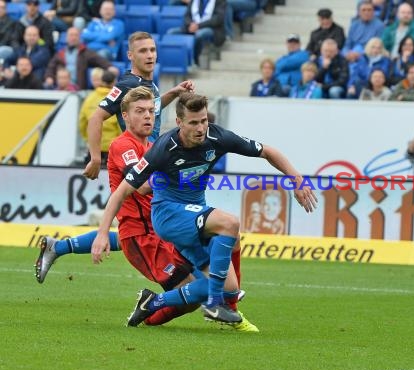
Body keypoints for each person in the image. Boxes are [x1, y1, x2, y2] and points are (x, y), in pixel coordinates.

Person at [37, 86, 257, 331]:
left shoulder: (151, 143)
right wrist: (184, 175)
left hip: (159, 228)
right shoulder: (125, 146)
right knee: (199, 291)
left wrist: (173, 94)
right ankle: (154, 305)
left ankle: (58, 246)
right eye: (140, 111)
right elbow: (139, 187)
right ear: (125, 117)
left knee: (217, 273)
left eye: (152, 111)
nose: (149, 116)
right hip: (143, 236)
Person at [91, 92, 317, 326]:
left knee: (230, 283)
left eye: (204, 121)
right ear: (179, 123)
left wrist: (297, 180)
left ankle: (155, 302)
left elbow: (268, 151)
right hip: (168, 215)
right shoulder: (163, 148)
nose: (201, 128)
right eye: (194, 123)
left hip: (194, 213)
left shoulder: (217, 137)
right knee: (229, 223)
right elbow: (122, 191)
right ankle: (215, 304)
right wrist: (102, 233)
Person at [83, 31, 195, 181]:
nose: (149, 55)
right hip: (137, 160)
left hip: (153, 157)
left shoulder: (149, 83)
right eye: (143, 51)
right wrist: (95, 158)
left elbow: (152, 108)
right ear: (130, 55)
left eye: (152, 50)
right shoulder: (127, 85)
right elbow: (95, 117)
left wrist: (173, 93)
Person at [44, 27, 113, 90]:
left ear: (79, 38)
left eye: (76, 35)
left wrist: (109, 66)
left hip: (78, 88)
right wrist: (49, 77)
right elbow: (51, 66)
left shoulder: (85, 52)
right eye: (71, 35)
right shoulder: (60, 53)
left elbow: (98, 59)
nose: (73, 38)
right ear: (66, 38)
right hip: (62, 87)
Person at [79, 69, 120, 166]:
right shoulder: (117, 100)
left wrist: (89, 138)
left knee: (91, 177)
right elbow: (121, 125)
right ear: (114, 82)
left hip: (93, 149)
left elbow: (82, 122)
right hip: (112, 148)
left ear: (101, 81)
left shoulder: (90, 98)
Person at [171, 0, 226, 66]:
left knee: (200, 34)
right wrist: (190, 24)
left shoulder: (220, 1)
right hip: (192, 27)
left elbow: (217, 19)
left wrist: (198, 26)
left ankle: (194, 60)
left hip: (211, 29)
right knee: (172, 33)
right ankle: (175, 63)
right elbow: (187, 15)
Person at [342, 0, 385, 64]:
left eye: (369, 10)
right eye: (363, 10)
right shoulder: (354, 25)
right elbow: (347, 45)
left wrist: (360, 54)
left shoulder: (380, 26)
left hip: (368, 56)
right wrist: (347, 53)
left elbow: (378, 45)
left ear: (373, 12)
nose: (366, 12)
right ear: (359, 12)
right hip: (352, 54)